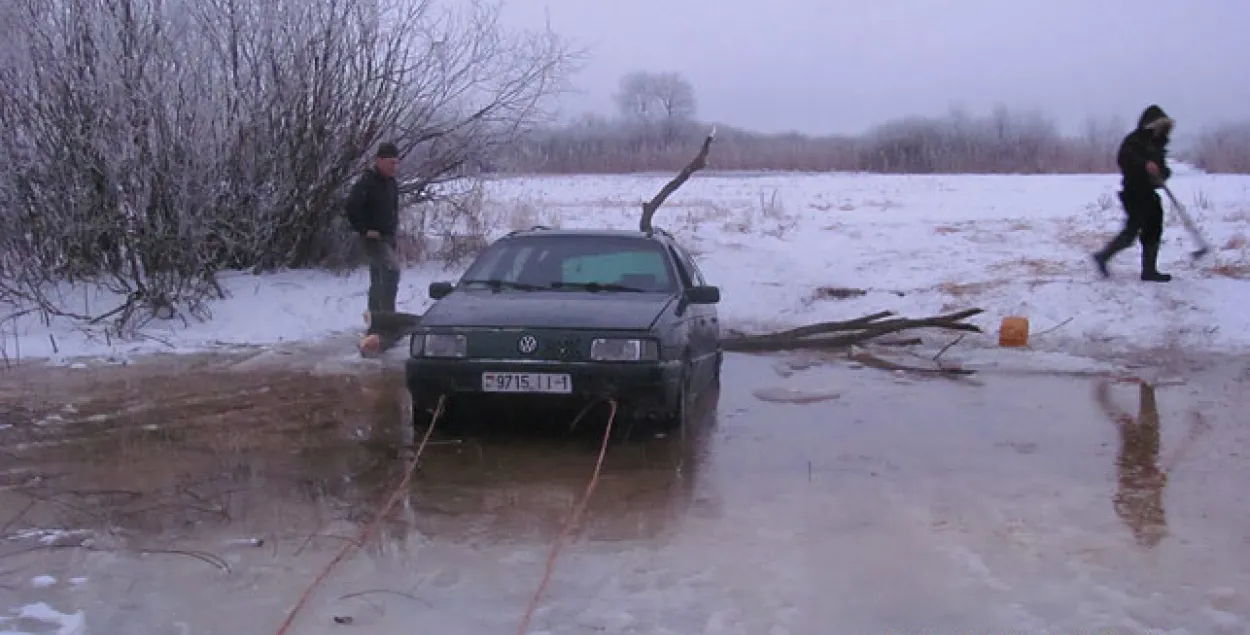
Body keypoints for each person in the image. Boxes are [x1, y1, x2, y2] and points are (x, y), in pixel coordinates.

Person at [1092, 105, 1176, 282]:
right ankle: (1103, 256)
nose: (1162, 130)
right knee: (1132, 230)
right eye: (1159, 126)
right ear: (1151, 125)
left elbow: (1162, 168)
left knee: (1154, 228)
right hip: (1134, 191)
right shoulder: (1134, 141)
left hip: (1149, 192)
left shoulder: (1157, 144)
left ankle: (1149, 270)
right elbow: (1125, 160)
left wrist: (1162, 173)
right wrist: (1144, 165)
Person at [346, 142, 401, 315]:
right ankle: (386, 315)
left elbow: (393, 208)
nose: (394, 167)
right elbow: (351, 207)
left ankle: (377, 318)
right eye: (390, 163)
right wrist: (364, 229)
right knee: (391, 271)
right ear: (379, 161)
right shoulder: (367, 182)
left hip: (388, 237)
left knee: (379, 278)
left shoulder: (391, 183)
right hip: (374, 238)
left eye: (396, 163)